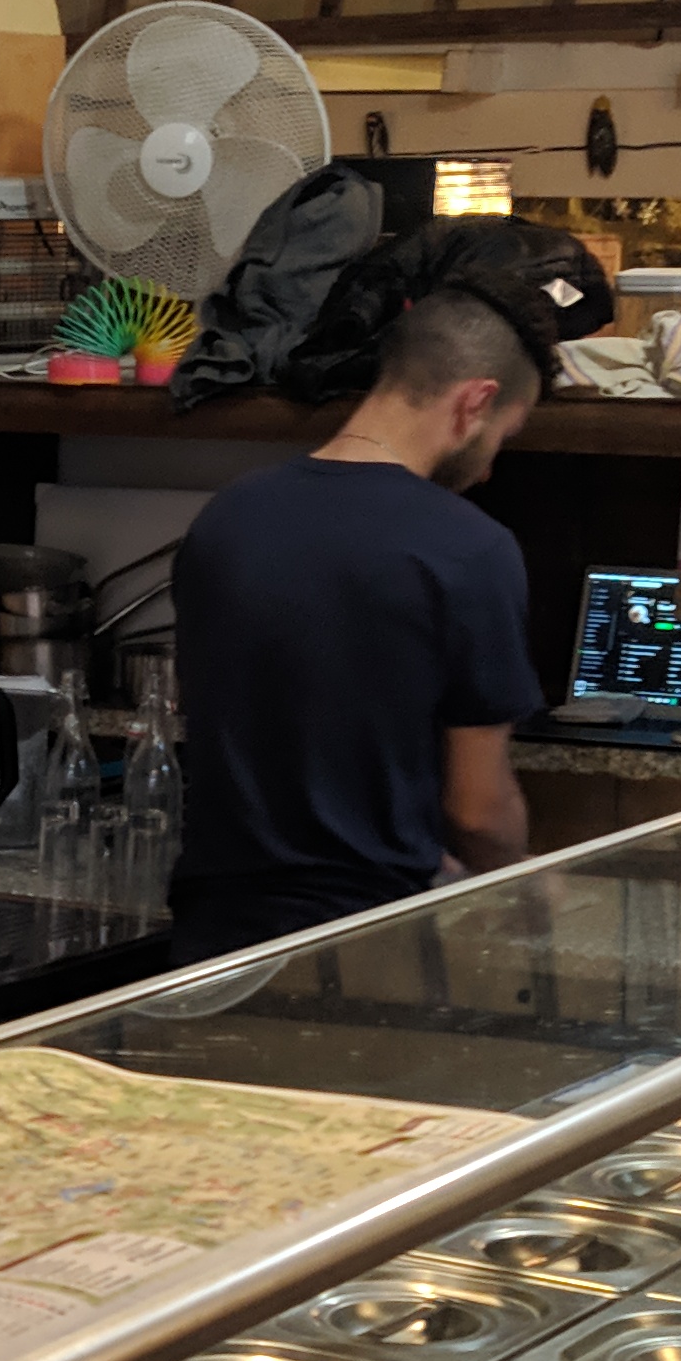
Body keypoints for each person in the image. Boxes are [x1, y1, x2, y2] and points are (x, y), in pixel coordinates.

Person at [167, 282, 544, 956]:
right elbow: (477, 812)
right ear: (475, 401)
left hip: (213, 942)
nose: (489, 469)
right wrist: (527, 885)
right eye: (501, 438)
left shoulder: (227, 518)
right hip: (366, 952)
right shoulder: (469, 548)